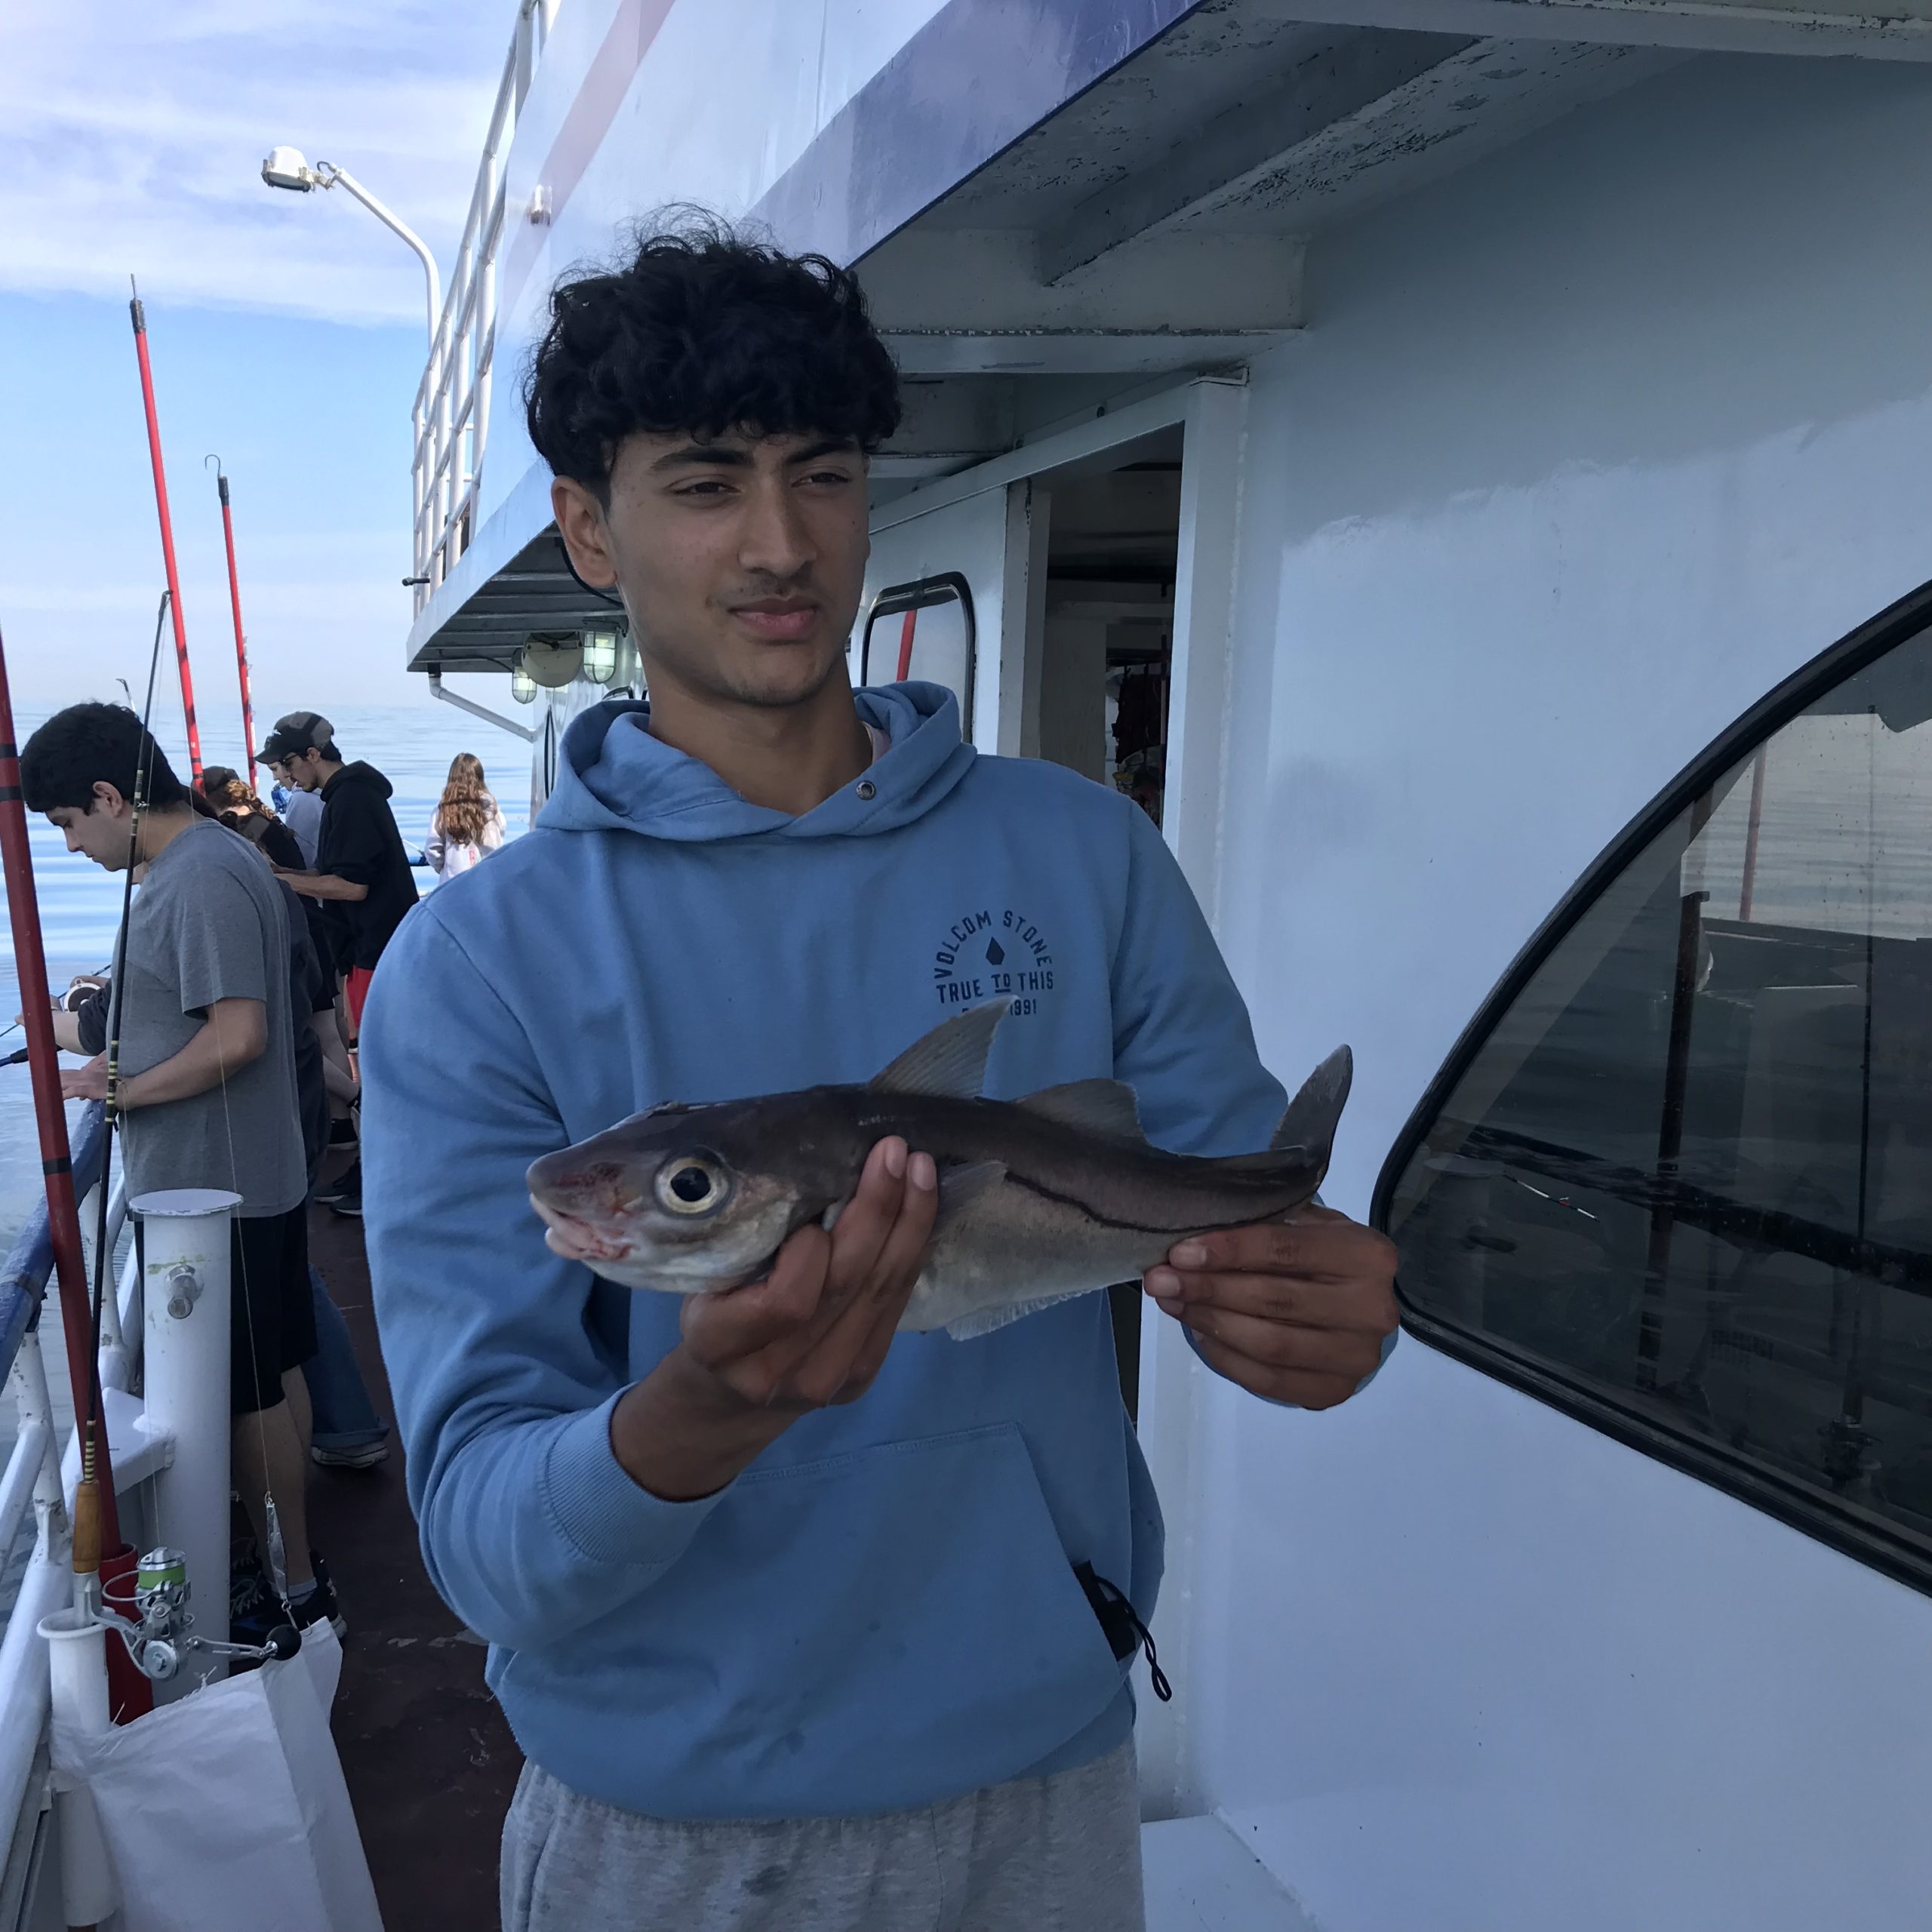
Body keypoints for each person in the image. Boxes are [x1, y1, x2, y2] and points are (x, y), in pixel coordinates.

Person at [362, 221, 1398, 1932]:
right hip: (668, 1829)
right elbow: (482, 1538)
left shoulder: (1077, 850)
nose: (777, 542)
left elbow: (1233, 1214)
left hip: (1045, 1783)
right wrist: (706, 1408)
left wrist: (1323, 1309)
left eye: (820, 473)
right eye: (704, 482)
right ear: (587, 525)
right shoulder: (473, 966)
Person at [22, 703, 343, 1635]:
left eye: (68, 826)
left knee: (247, 1397)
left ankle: (293, 1592)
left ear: (109, 796)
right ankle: (293, 1571)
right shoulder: (206, 860)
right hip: (244, 1177)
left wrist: (119, 1092)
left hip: (221, 1189)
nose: (72, 848)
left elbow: (236, 1037)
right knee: (271, 1377)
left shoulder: (198, 876)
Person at [260, 712, 420, 1217]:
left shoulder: (351, 798)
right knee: (375, 1066)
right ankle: (372, 1172)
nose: (283, 775)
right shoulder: (346, 797)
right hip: (368, 951)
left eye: (286, 762)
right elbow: (337, 875)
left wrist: (281, 882)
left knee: (382, 1070)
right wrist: (283, 871)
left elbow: (353, 886)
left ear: (311, 755)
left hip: (378, 951)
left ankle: (379, 1181)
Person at [423, 752, 507, 885]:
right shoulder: (491, 810)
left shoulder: (442, 811)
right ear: (480, 778)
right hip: (483, 883)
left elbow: (433, 850)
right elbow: (495, 849)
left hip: (451, 884)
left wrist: (444, 868)